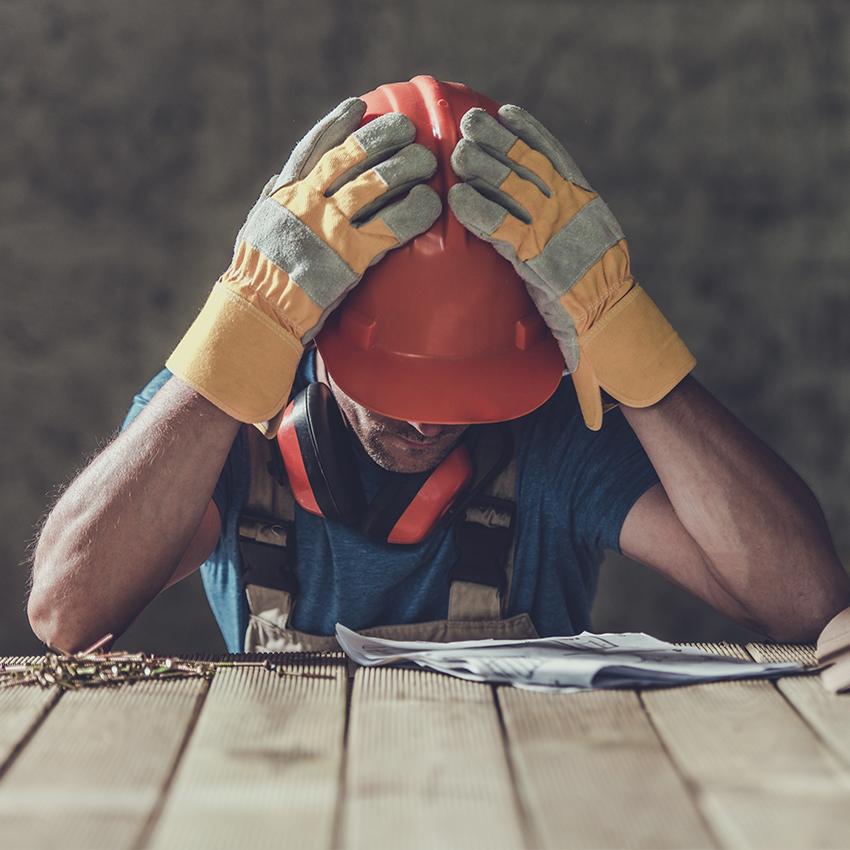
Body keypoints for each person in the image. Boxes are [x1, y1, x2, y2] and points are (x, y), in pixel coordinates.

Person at [27, 77, 849, 654]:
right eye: (396, 383)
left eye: (463, 390)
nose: (425, 419)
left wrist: (620, 328)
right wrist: (243, 320)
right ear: (312, 323)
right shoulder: (220, 429)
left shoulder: (558, 441)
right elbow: (66, 610)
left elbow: (801, 601)